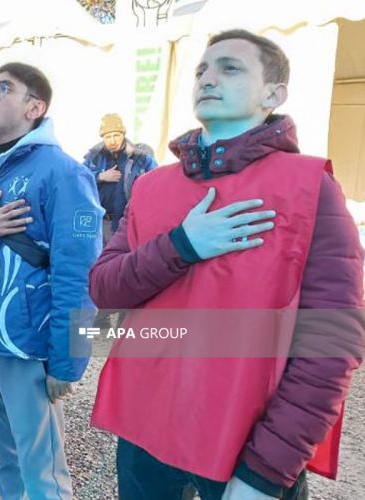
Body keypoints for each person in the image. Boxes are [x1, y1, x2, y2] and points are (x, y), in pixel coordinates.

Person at [89, 30, 365, 500]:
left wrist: (267, 470)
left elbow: (332, 339)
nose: (207, 78)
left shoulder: (309, 187)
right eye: (201, 70)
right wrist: (182, 245)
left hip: (245, 439)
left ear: (273, 94)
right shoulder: (153, 186)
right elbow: (105, 288)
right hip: (143, 430)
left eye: (230, 68)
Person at [0, 62, 102, 499]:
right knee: (5, 459)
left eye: (3, 88)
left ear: (35, 107)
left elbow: (80, 274)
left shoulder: (65, 173)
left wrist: (70, 359)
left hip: (27, 345)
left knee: (43, 473)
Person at [83, 112, 157, 242]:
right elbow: (79, 181)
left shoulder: (141, 158)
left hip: (129, 223)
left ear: (123, 134)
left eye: (116, 135)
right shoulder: (94, 157)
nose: (112, 141)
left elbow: (158, 183)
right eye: (107, 136)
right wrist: (100, 176)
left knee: (124, 260)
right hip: (100, 223)